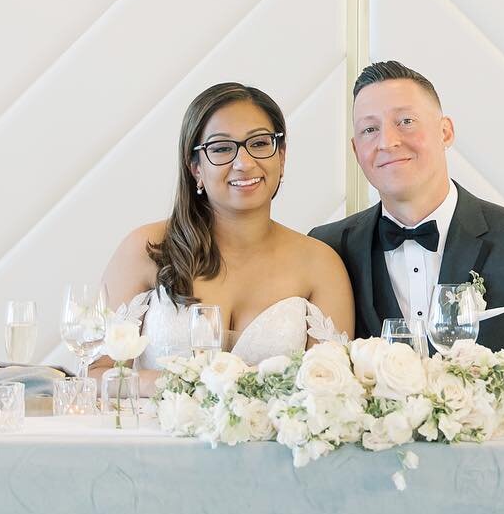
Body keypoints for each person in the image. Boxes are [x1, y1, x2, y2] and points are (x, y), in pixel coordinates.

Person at [310, 61, 504, 387]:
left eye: (406, 121)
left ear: (445, 131)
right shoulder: (326, 249)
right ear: (356, 150)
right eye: (370, 130)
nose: (388, 142)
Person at [99, 82, 354, 371]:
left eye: (259, 144)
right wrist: (181, 389)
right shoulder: (146, 248)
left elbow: (331, 390)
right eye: (221, 148)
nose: (244, 163)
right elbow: (95, 373)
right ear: (195, 167)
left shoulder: (320, 265)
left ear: (281, 157)